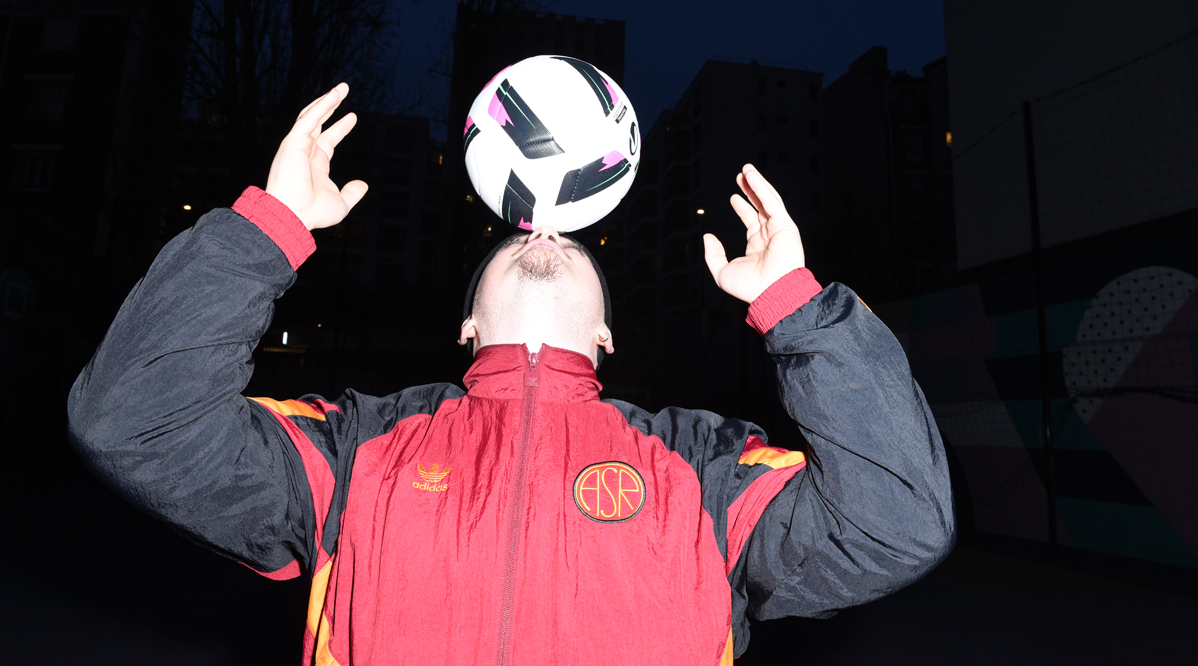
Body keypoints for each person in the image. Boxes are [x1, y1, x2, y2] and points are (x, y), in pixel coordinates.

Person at [69, 83, 954, 665]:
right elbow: (133, 422)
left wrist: (798, 309)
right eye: (519, 236)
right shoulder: (354, 450)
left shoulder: (704, 470)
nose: (543, 232)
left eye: (571, 241)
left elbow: (900, 523)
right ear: (466, 326)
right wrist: (268, 228)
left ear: (608, 334)